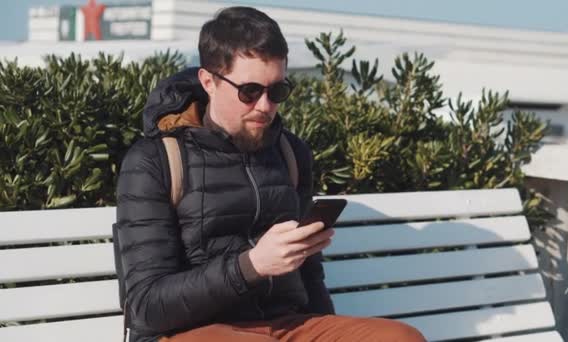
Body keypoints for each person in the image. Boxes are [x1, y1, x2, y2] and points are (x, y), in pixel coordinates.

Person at [115, 6, 426, 342]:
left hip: (286, 323)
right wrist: (251, 266)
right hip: (192, 330)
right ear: (209, 82)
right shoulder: (155, 160)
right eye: (249, 91)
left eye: (277, 91)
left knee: (400, 338)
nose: (265, 106)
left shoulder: (290, 153)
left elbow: (310, 274)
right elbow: (146, 304)